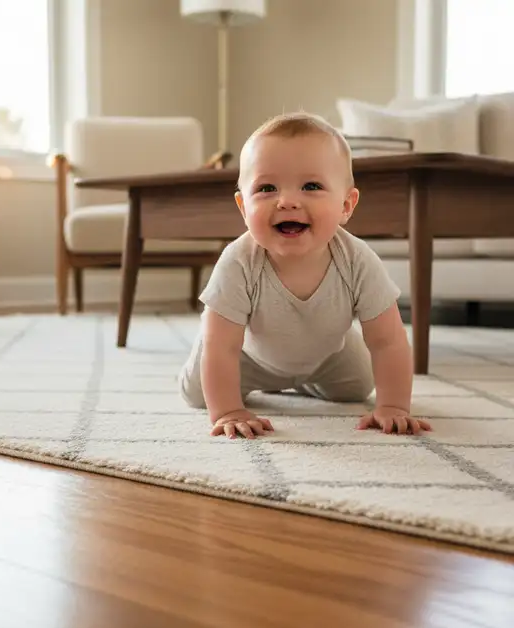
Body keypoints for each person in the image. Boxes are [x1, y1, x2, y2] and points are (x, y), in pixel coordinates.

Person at [178, 111, 432, 439]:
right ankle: (218, 362)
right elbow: (223, 348)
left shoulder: (357, 260)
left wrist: (394, 406)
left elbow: (388, 340)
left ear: (346, 205)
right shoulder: (239, 262)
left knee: (359, 386)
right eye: (267, 188)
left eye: (311, 186)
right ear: (243, 208)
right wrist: (229, 411)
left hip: (328, 355)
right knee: (199, 394)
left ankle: (306, 377)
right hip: (246, 358)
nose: (287, 201)